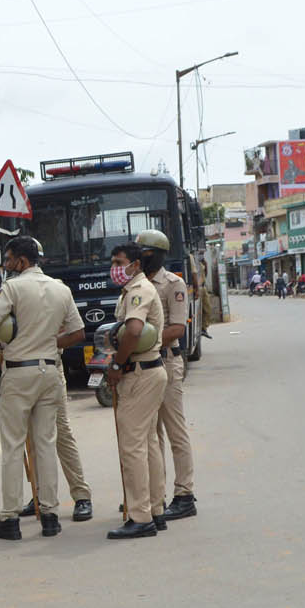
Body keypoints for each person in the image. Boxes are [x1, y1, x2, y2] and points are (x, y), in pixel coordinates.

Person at [0, 237, 82, 540]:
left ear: (22, 262)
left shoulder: (12, 287)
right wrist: (51, 344)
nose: (7, 265)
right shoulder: (60, 289)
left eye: (10, 260)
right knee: (46, 443)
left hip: (18, 373)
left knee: (13, 446)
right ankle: (49, 515)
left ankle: (10, 518)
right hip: (49, 371)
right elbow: (77, 332)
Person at [104, 242, 167, 540]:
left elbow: (133, 331)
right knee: (148, 442)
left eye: (119, 261)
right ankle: (155, 509)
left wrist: (117, 364)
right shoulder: (132, 289)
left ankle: (140, 516)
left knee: (132, 445)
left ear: (136, 265)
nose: (115, 267)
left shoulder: (138, 290)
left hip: (140, 372)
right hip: (149, 370)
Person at [137, 229, 196, 521]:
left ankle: (184, 493)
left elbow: (177, 329)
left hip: (166, 361)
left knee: (175, 431)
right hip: (142, 367)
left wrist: (141, 342)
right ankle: (153, 497)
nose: (141, 257)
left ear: (158, 254)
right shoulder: (136, 284)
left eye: (145, 253)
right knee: (150, 434)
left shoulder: (174, 284)